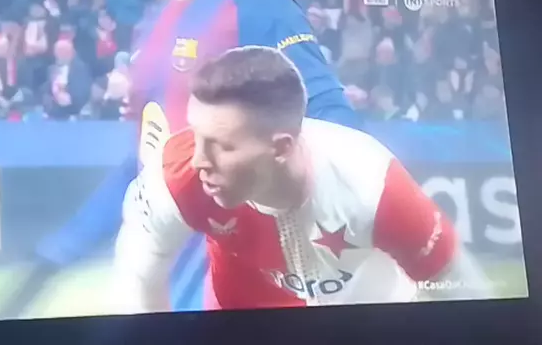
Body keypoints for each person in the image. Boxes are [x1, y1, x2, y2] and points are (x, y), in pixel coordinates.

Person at [0, 0, 360, 318]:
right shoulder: (158, 20)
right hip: (161, 286)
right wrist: (64, 247)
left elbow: (333, 124)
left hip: (229, 286)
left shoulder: (257, 4)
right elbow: (150, 163)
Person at [113, 46, 491, 312]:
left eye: (222, 146)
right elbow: (139, 277)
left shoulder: (374, 187)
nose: (199, 160)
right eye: (197, 135)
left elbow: (461, 288)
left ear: (280, 147)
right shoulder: (176, 175)